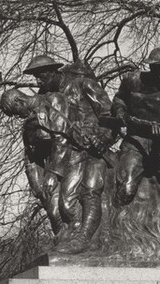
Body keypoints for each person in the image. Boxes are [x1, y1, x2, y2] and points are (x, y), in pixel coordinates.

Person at [111, 48, 160, 252]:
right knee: (125, 187)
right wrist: (120, 111)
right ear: (153, 68)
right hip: (136, 139)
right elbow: (119, 99)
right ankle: (114, 230)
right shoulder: (132, 81)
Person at [52, 61, 114, 254]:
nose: (38, 81)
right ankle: (72, 236)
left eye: (41, 76)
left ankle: (84, 239)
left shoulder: (84, 84)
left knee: (91, 190)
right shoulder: (49, 96)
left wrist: (104, 139)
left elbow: (110, 114)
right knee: (66, 200)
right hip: (72, 151)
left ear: (53, 72)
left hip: (95, 148)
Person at [0, 88, 67, 235]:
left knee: (64, 211)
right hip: (50, 172)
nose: (18, 116)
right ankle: (64, 242)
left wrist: (54, 173)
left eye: (16, 112)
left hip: (66, 163)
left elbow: (62, 138)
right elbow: (30, 158)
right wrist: (37, 187)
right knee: (54, 214)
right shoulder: (27, 127)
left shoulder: (51, 101)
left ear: (19, 101)